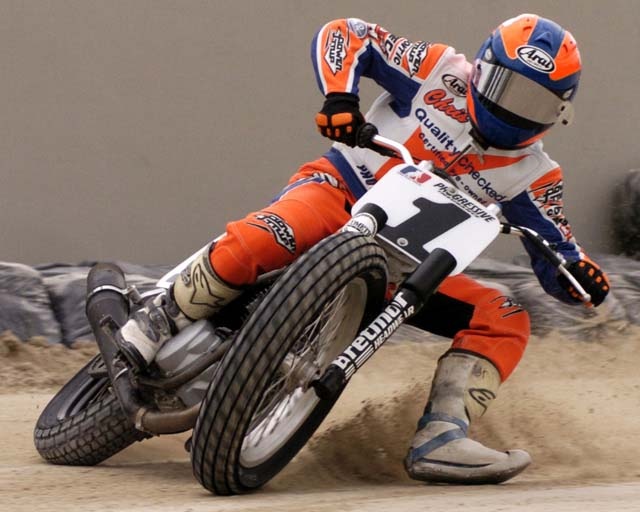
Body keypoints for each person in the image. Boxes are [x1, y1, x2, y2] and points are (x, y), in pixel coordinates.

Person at [117, 14, 611, 484]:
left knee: (507, 317)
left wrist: (583, 279)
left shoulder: (537, 175)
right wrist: (339, 98)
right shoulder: (438, 69)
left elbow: (560, 252)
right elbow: (348, 34)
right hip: (341, 193)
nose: (516, 111)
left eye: (538, 104)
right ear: (481, 69)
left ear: (560, 114)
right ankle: (162, 314)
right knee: (270, 233)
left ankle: (442, 435)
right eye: (508, 89)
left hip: (408, 268)